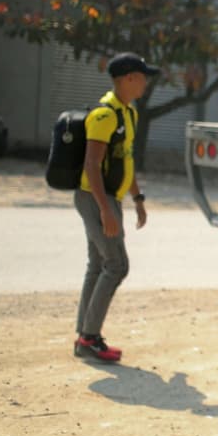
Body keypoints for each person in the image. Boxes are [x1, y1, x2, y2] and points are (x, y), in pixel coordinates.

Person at [72, 52, 159, 362]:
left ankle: (84, 335)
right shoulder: (105, 115)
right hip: (95, 198)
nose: (146, 82)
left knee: (98, 265)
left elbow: (125, 161)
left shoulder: (128, 113)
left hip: (110, 198)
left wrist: (138, 200)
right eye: (143, 76)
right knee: (117, 265)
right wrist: (106, 210)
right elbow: (92, 165)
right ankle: (89, 338)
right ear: (128, 78)